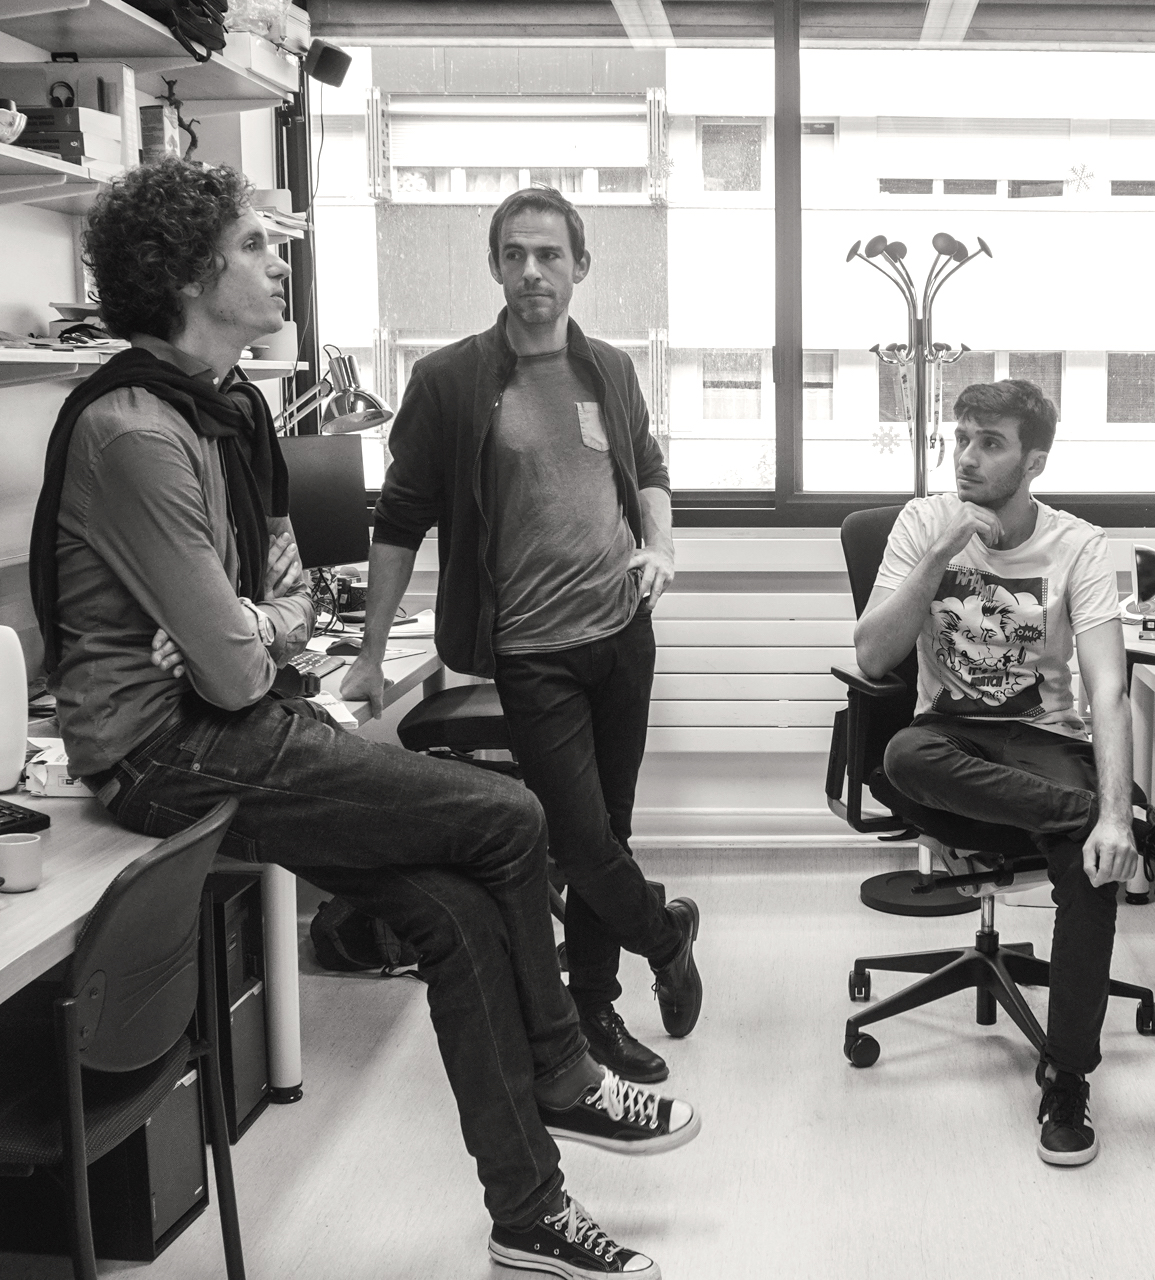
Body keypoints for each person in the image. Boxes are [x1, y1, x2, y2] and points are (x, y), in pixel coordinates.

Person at [32, 158, 696, 1280]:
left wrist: (248, 620)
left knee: (451, 913)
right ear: (193, 277)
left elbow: (284, 598)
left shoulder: (232, 410)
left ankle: (528, 1213)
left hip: (231, 716)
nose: (274, 257)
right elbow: (240, 672)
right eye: (251, 244)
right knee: (514, 820)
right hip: (170, 749)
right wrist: (248, 630)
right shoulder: (135, 433)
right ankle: (567, 1073)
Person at [342, 187, 698, 1086]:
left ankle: (594, 1013)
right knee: (576, 841)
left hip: (622, 633)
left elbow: (647, 469)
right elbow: (401, 519)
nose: (532, 271)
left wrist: (657, 546)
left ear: (581, 265)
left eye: (549, 254)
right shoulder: (451, 380)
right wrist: (373, 652)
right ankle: (664, 933)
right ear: (495, 267)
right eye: (514, 255)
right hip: (532, 650)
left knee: (606, 828)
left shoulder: (610, 369)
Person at [853, 379, 1155, 1168]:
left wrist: (1112, 817)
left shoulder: (1078, 546)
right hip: (946, 744)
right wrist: (940, 556)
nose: (967, 458)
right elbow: (873, 656)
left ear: (1035, 461)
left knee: (1092, 861)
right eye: (961, 438)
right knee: (900, 756)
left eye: (991, 444)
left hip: (1043, 742)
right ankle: (1142, 824)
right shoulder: (924, 522)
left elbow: (1108, 688)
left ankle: (1067, 1077)